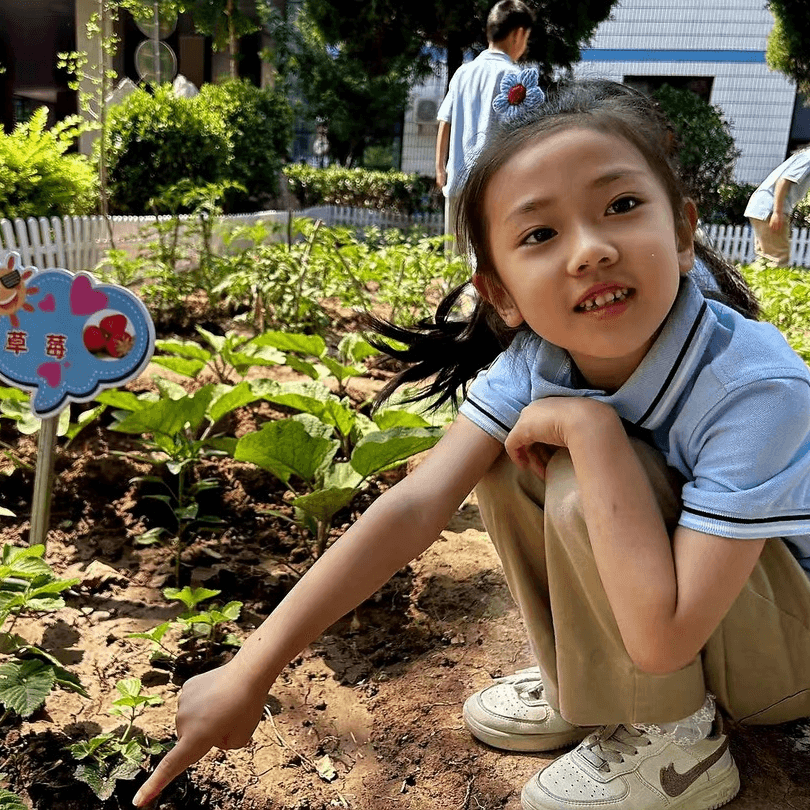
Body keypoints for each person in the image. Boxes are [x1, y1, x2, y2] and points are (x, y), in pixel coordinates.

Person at [132, 79, 810, 810]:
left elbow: (668, 640)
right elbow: (418, 504)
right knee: (507, 463)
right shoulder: (540, 360)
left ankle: (678, 743)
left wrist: (591, 427)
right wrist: (249, 671)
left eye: (620, 206)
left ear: (682, 233)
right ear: (503, 294)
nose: (590, 250)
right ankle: (590, 682)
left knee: (586, 474)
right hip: (686, 610)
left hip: (780, 654)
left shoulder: (753, 388)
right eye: (540, 234)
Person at [435, 0, 534, 244]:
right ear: (519, 34)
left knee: (454, 265)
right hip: (493, 189)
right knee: (487, 263)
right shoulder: (514, 77)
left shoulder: (463, 73)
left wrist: (440, 168)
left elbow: (444, 121)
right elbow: (521, 134)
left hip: (457, 183)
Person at [744, 146, 810, 266]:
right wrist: (777, 213)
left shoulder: (804, 155)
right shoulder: (808, 158)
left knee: (766, 259)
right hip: (768, 209)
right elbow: (783, 181)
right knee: (778, 259)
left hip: (762, 207)